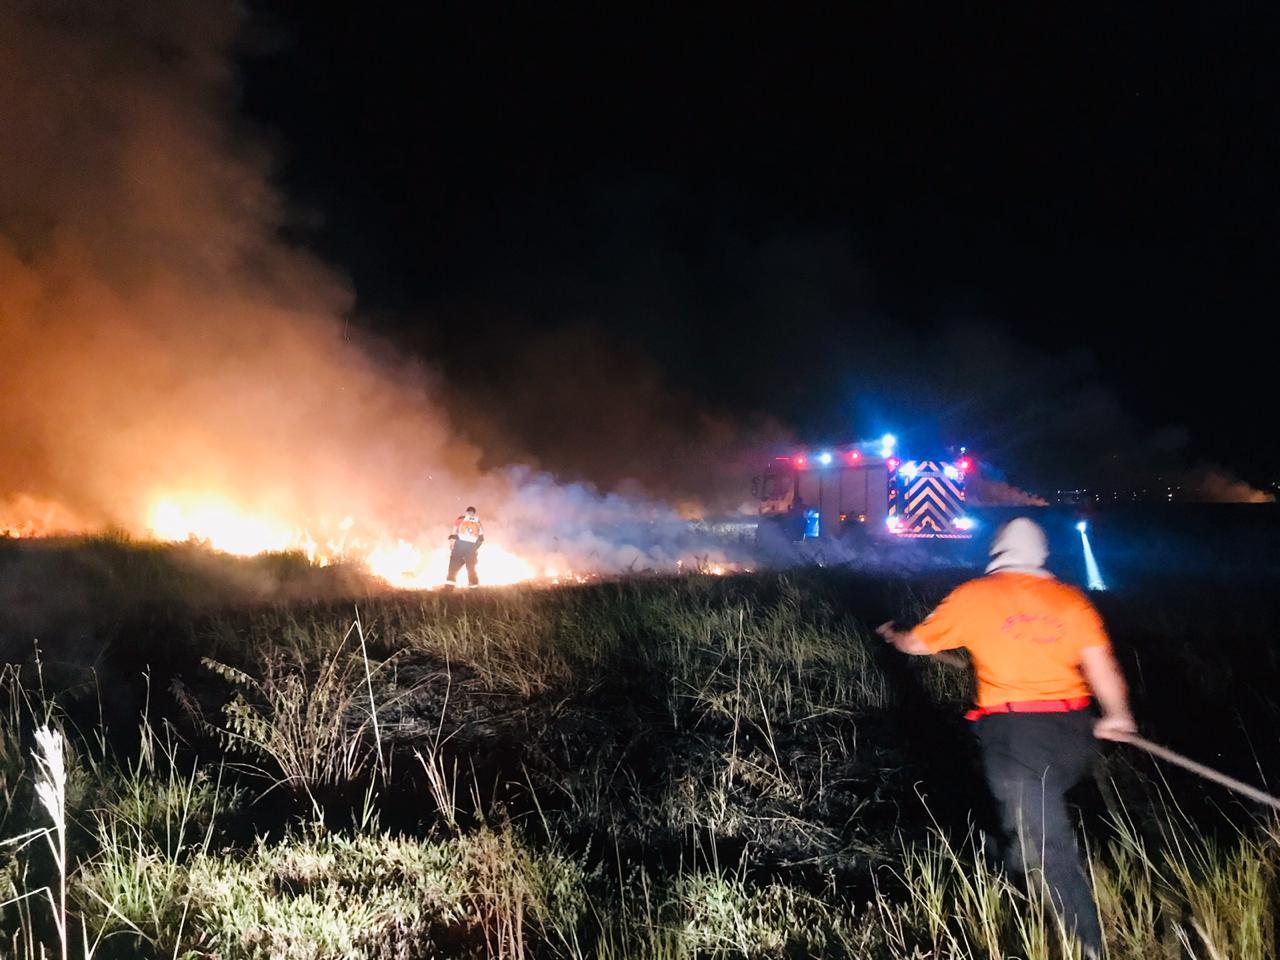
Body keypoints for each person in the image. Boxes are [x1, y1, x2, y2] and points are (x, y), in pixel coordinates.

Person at [876, 517, 1135, 958]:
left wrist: (893, 635)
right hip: (1074, 736)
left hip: (1017, 738)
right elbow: (1102, 666)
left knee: (1045, 845)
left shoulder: (975, 595)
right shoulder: (1070, 601)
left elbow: (917, 644)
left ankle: (1084, 946)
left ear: (996, 553)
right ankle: (1012, 884)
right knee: (1021, 819)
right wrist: (1117, 715)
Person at [446, 506, 484, 588]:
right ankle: (474, 589)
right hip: (471, 548)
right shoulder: (478, 521)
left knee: (453, 566)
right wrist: (474, 549)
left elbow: (454, 532)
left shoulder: (461, 519)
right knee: (471, 569)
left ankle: (449, 588)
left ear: (466, 512)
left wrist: (452, 544)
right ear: (474, 513)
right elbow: (481, 539)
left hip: (459, 545)